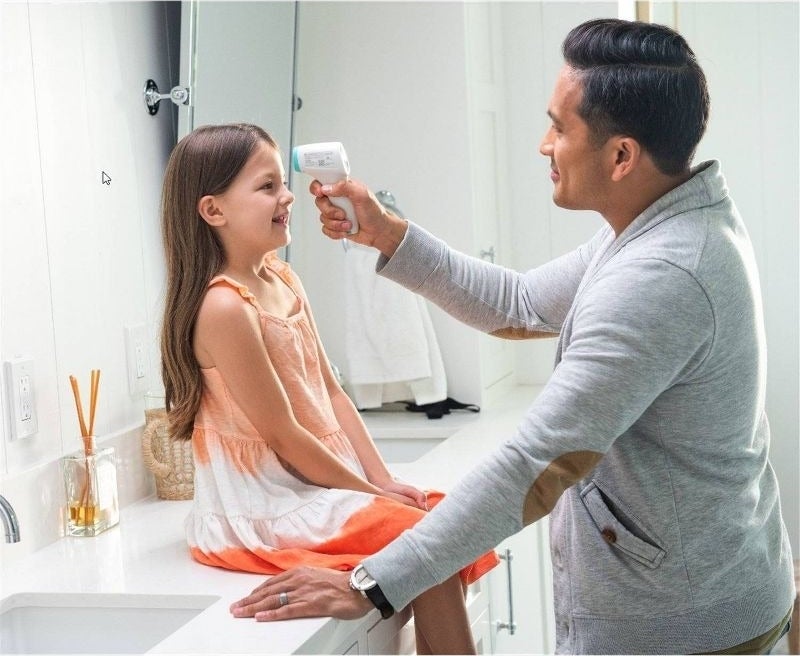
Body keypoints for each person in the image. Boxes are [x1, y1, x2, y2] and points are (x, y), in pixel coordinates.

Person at [229, 19, 796, 655]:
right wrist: (387, 234)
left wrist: (375, 582)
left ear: (620, 157)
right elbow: (518, 303)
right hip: (701, 599)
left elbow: (540, 461)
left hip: (686, 632)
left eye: (559, 127)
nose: (543, 145)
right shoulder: (653, 226)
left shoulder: (663, 274)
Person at [159, 123, 498, 655]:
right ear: (213, 210)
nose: (288, 195)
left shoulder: (282, 280)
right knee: (423, 539)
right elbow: (286, 436)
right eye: (267, 186)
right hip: (263, 506)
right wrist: (371, 495)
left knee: (445, 517)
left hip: (318, 486)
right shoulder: (224, 307)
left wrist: (381, 478)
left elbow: (333, 395)